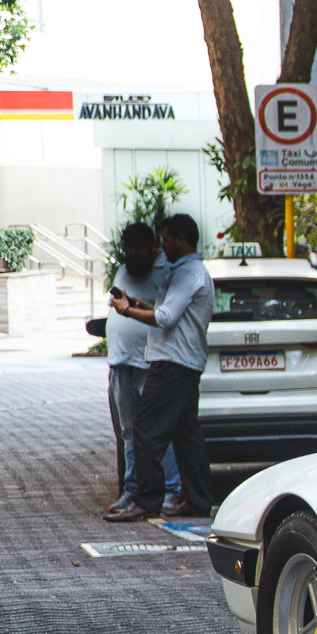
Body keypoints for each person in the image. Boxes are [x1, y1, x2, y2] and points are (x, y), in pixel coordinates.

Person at [103, 213, 216, 523]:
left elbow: (165, 318)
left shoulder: (188, 274)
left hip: (173, 363)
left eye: (166, 238)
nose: (163, 245)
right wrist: (140, 305)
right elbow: (168, 313)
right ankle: (196, 499)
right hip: (182, 362)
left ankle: (147, 500)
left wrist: (127, 311)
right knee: (185, 434)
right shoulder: (188, 272)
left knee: (146, 430)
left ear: (181, 239)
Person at [104, 222, 181, 513]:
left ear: (153, 248)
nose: (132, 253)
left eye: (138, 247)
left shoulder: (167, 272)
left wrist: (136, 307)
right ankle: (132, 489)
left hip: (152, 363)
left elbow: (168, 315)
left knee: (160, 431)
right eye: (128, 247)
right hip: (121, 362)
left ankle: (170, 491)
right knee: (128, 431)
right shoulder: (124, 270)